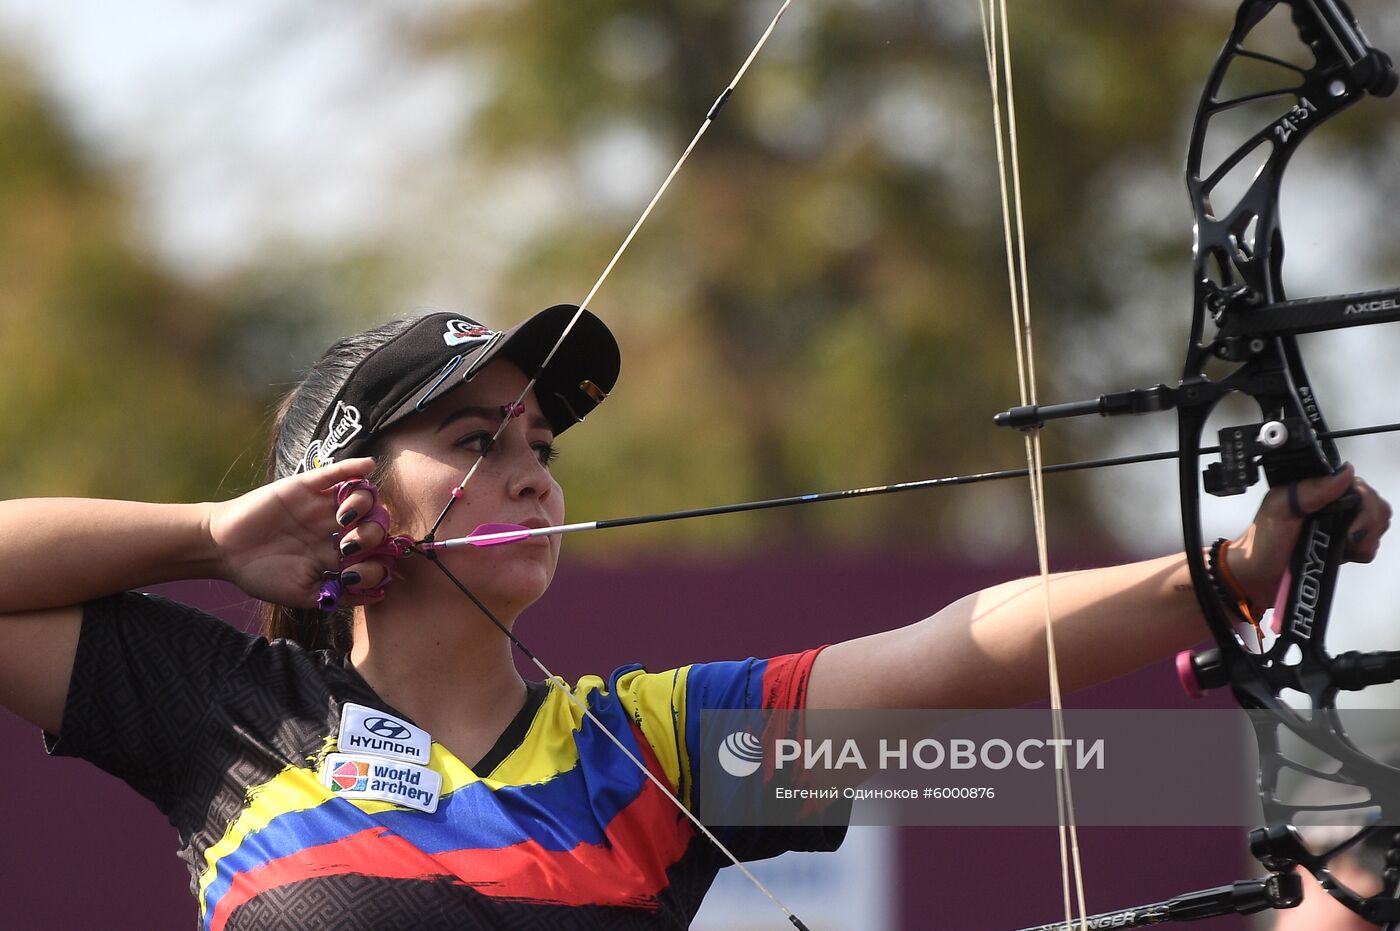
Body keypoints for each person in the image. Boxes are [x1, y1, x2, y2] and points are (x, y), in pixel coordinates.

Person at [0, 304, 1389, 931]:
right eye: (476, 438)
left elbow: (956, 650)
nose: (532, 466)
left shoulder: (649, 752)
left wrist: (1225, 571)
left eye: (540, 437)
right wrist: (212, 537)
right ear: (346, 498)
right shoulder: (228, 715)